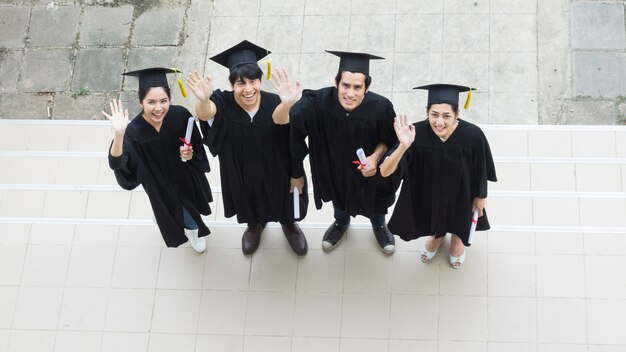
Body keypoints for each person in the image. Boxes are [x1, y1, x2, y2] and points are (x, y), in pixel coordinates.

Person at [186, 40, 309, 255]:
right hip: (240, 169)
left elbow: (286, 128)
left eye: (253, 81)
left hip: (278, 168)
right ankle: (254, 226)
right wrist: (203, 99)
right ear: (232, 84)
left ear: (261, 80)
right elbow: (206, 113)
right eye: (240, 83)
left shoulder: (275, 102)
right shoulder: (222, 102)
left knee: (285, 199)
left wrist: (288, 104)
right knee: (248, 199)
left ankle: (289, 224)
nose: (248, 89)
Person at [277, 50, 398, 254]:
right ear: (336, 82)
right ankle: (341, 223)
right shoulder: (318, 102)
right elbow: (290, 126)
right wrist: (288, 104)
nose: (350, 93)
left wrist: (376, 158)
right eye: (346, 85)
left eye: (357, 87)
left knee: (375, 203)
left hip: (368, 173)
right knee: (339, 200)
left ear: (367, 88)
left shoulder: (381, 107)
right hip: (334, 170)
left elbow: (389, 140)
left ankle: (379, 226)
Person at [380, 84, 497, 268]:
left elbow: (481, 168)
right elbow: (385, 172)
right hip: (429, 191)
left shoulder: (473, 135)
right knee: (434, 214)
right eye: (434, 115)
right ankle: (438, 235)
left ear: (457, 115)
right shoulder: (413, 134)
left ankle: (458, 240)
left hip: (463, 192)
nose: (439, 122)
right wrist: (403, 145)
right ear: (427, 112)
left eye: (446, 116)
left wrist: (481, 196)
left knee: (460, 217)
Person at [103, 68, 213, 253]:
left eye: (164, 101)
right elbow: (116, 163)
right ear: (140, 102)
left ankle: (172, 217)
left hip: (186, 175)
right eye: (151, 102)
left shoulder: (180, 115)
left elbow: (196, 144)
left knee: (191, 203)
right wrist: (119, 134)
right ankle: (193, 230)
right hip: (159, 183)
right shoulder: (133, 132)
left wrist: (190, 153)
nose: (158, 108)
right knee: (180, 210)